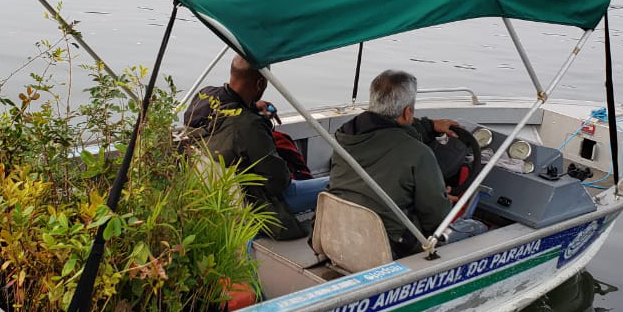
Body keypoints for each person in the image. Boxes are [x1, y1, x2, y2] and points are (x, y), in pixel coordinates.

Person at [328, 69, 473, 257]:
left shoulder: (344, 136)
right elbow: (436, 220)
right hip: (391, 245)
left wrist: (429, 126)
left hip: (339, 230)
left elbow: (387, 130)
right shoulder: (419, 153)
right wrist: (443, 200)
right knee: (473, 228)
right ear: (407, 113)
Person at [184, 56, 327, 240]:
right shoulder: (249, 126)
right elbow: (279, 182)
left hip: (216, 194)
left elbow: (226, 113)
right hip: (255, 202)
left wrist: (251, 106)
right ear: (260, 83)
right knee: (333, 184)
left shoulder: (204, 96)